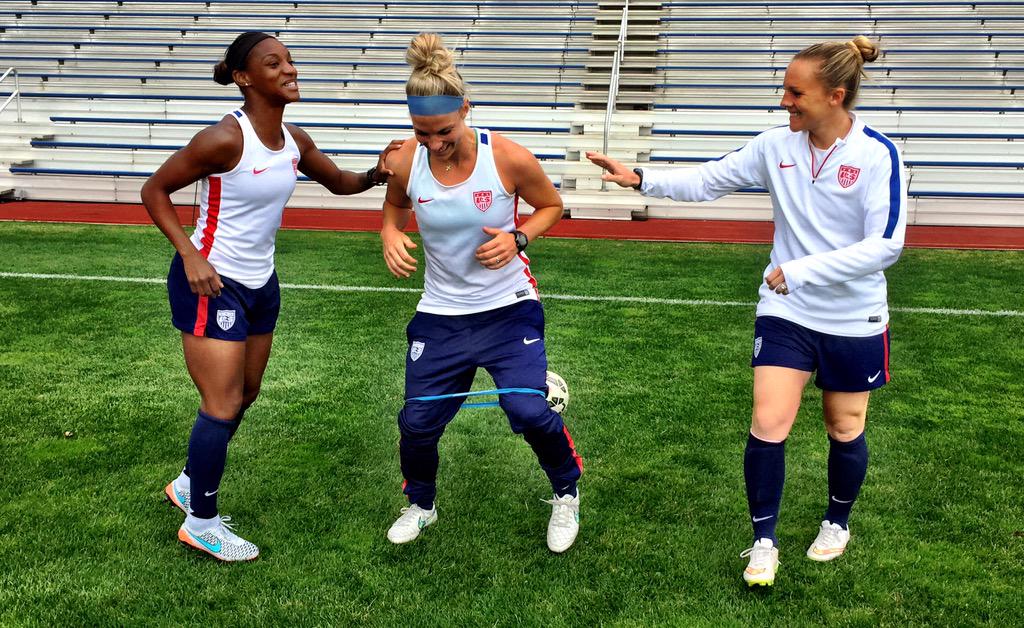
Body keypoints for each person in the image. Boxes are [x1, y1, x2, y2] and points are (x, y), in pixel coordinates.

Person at [588, 36, 906, 585]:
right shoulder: (774, 145)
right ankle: (763, 541)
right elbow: (709, 179)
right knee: (768, 421)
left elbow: (886, 245)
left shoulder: (878, 154)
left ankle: (837, 522)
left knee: (844, 425)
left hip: (854, 317)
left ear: (834, 96)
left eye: (795, 92)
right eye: (785, 89)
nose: (785, 101)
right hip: (786, 310)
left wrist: (803, 269)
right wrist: (642, 178)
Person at [141, 31, 402, 562]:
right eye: (273, 63)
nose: (289, 70)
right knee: (221, 403)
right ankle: (201, 522)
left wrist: (377, 173)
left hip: (262, 282)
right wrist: (190, 255)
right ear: (244, 78)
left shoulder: (295, 139)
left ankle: (189, 483)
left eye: (290, 61)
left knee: (247, 393)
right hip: (212, 281)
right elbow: (154, 190)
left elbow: (340, 181)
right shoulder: (223, 139)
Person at [379, 33, 584, 553]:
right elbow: (395, 204)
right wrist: (389, 232)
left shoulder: (507, 158)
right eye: (422, 133)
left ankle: (566, 493)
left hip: (508, 307)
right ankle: (421, 504)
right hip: (440, 311)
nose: (434, 144)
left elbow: (551, 207)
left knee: (528, 411)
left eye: (444, 131)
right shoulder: (406, 158)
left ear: (466, 110)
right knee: (417, 422)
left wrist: (518, 239)